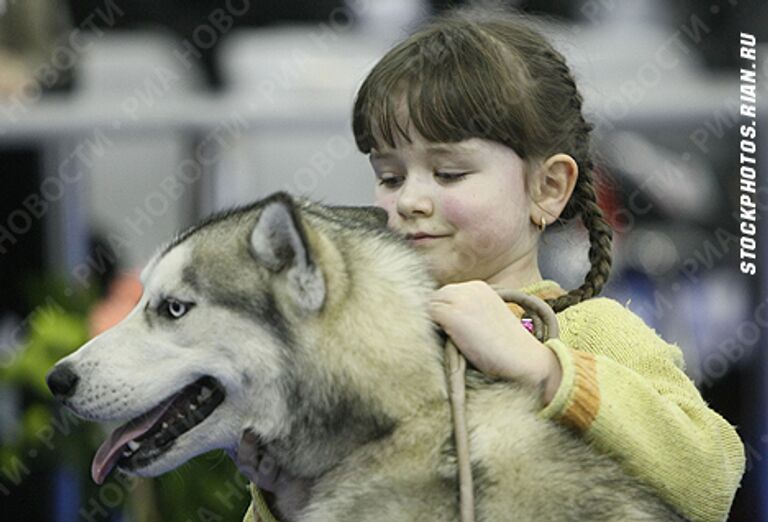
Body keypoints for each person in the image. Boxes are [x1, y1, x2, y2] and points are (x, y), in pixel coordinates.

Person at [238, 6, 745, 522]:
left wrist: (544, 370)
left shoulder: (594, 332)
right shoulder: (371, 355)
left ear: (548, 188)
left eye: (450, 173)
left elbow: (713, 478)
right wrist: (286, 497)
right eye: (390, 177)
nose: (410, 199)